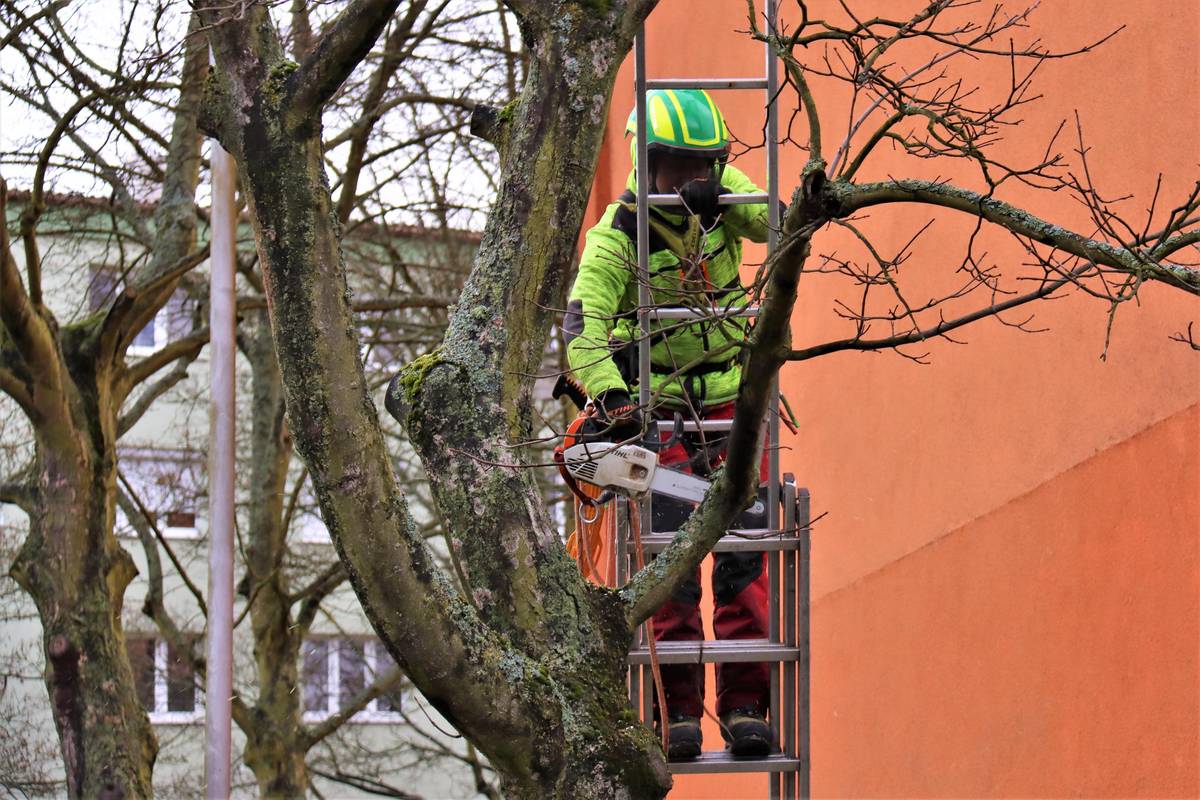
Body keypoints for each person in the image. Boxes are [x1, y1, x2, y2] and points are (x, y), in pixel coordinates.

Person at [563, 88, 775, 760]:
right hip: (658, 412)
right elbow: (583, 326)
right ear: (646, 164)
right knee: (672, 563)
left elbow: (781, 225)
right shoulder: (615, 239)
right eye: (675, 170)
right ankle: (675, 713)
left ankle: (745, 705)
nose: (688, 182)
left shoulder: (722, 195)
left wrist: (730, 200)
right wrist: (612, 396)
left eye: (701, 167)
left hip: (729, 405)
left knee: (747, 555)